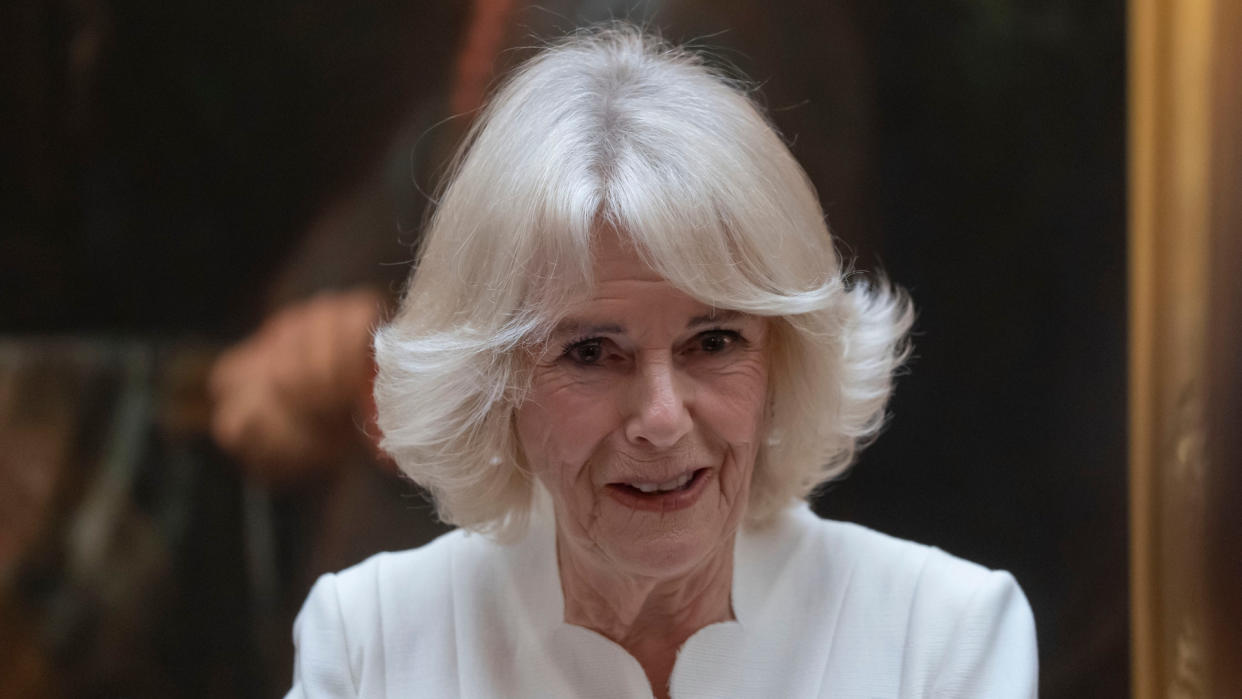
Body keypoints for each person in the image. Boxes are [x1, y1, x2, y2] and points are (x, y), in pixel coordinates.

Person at [286, 24, 1038, 698]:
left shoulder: (944, 637)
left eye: (713, 343)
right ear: (493, 383)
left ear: (785, 357)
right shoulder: (369, 643)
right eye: (590, 352)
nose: (662, 417)